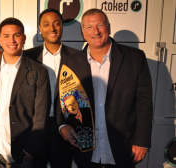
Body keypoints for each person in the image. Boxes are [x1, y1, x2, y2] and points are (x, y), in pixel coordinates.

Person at [58, 8, 153, 168]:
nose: (95, 31)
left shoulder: (135, 58)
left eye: (100, 25)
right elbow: (62, 97)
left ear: (108, 27)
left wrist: (142, 141)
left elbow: (144, 103)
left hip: (123, 148)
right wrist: (62, 126)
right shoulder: (71, 62)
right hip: (85, 150)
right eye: (89, 27)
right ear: (83, 32)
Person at [0, 8, 79, 168]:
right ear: (39, 28)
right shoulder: (28, 56)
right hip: (32, 130)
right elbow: (9, 56)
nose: (52, 28)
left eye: (56, 24)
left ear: (62, 27)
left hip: (62, 128)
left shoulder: (77, 58)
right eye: (46, 24)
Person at [0, 17, 51, 168]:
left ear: (24, 38)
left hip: (21, 156)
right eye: (6, 36)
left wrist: (29, 151)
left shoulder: (39, 71)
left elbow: (40, 117)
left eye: (16, 35)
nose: (11, 40)